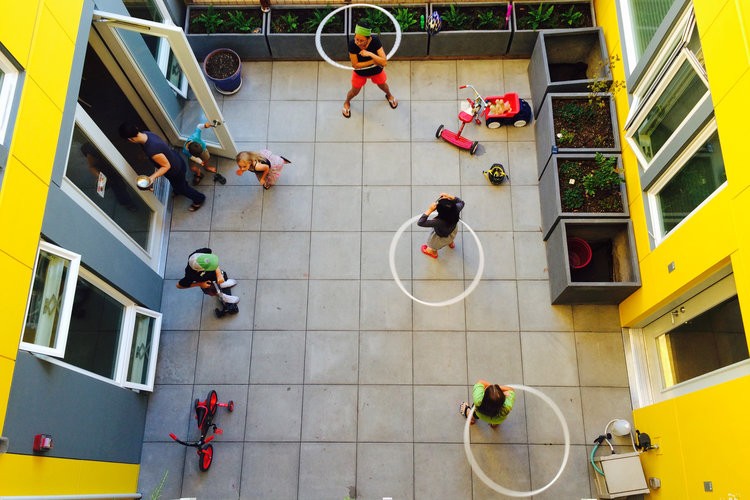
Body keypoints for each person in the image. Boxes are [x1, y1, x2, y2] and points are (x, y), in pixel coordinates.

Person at [118, 122, 206, 211]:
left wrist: (151, 178)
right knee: (179, 183)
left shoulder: (151, 150)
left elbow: (166, 166)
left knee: (182, 188)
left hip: (175, 170)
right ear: (136, 128)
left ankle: (199, 199)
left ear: (130, 139)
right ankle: (179, 188)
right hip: (177, 159)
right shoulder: (146, 133)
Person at [342, 24, 398, 119]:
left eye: (361, 40)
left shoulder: (375, 40)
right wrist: (373, 61)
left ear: (368, 39)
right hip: (360, 73)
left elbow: (384, 62)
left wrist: (369, 54)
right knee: (354, 91)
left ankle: (389, 95)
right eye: (356, 39)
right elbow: (355, 65)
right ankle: (347, 102)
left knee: (383, 85)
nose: (358, 43)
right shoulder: (352, 44)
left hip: (376, 71)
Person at [81, 142, 137, 211]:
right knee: (118, 187)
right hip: (106, 170)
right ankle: (127, 203)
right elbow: (91, 166)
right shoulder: (91, 152)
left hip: (113, 165)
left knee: (120, 185)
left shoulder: (107, 144)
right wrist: (100, 177)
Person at [417, 193, 465, 259]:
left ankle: (433, 253)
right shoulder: (456, 209)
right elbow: (461, 202)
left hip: (440, 236)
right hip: (452, 231)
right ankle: (450, 243)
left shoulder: (439, 222)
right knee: (450, 238)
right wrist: (449, 196)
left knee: (433, 246)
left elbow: (420, 223)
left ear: (439, 211)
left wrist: (430, 210)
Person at [183, 121, 219, 185]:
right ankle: (198, 173)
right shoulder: (185, 151)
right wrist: (200, 161)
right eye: (198, 155)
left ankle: (207, 167)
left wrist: (205, 125)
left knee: (206, 157)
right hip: (192, 157)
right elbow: (192, 157)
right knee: (192, 168)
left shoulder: (196, 136)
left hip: (202, 150)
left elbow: (199, 126)